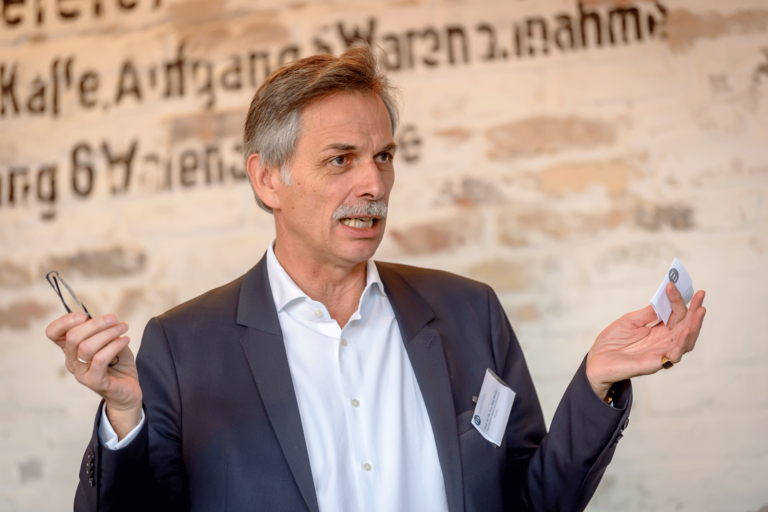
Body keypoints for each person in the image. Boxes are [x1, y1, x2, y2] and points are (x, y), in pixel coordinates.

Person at [45, 45, 707, 512]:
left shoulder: (469, 314)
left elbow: (533, 502)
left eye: (383, 156)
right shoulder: (184, 346)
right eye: (342, 160)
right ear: (268, 179)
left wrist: (596, 382)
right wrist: (123, 417)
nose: (374, 183)